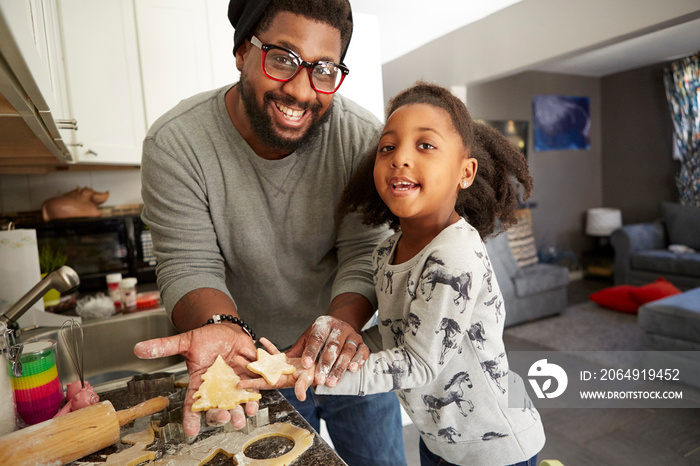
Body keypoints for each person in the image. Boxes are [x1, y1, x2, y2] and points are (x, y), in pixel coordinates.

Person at [132, 0, 406, 464]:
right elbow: (188, 261)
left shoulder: (361, 139)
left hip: (345, 347)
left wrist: (337, 329)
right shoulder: (176, 143)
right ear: (242, 51)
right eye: (282, 59)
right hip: (251, 361)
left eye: (323, 70)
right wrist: (221, 327)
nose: (301, 90)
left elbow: (365, 253)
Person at [240, 82, 546, 466]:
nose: (400, 157)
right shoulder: (387, 251)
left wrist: (318, 377)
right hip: (441, 443)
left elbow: (418, 362)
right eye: (388, 147)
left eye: (425, 145)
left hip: (494, 450)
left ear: (465, 173)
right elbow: (395, 330)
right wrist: (327, 352)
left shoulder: (455, 255)